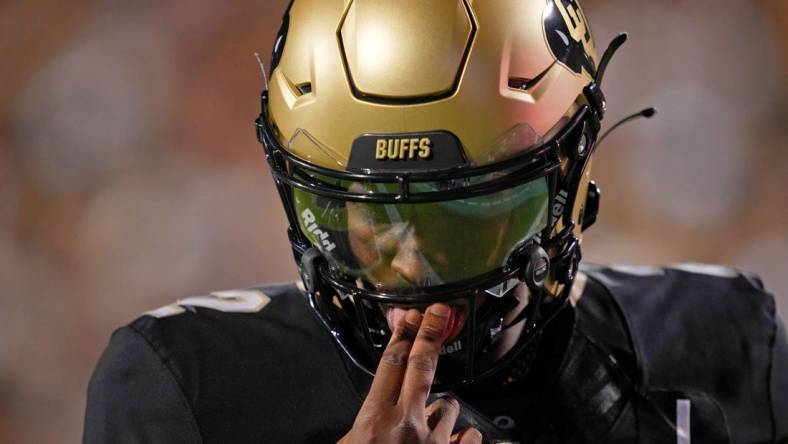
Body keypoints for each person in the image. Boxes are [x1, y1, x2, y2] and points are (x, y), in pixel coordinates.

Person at [83, 0, 788, 442]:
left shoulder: (721, 340)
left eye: (464, 215)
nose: (412, 266)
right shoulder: (185, 387)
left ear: (568, 186)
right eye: (361, 214)